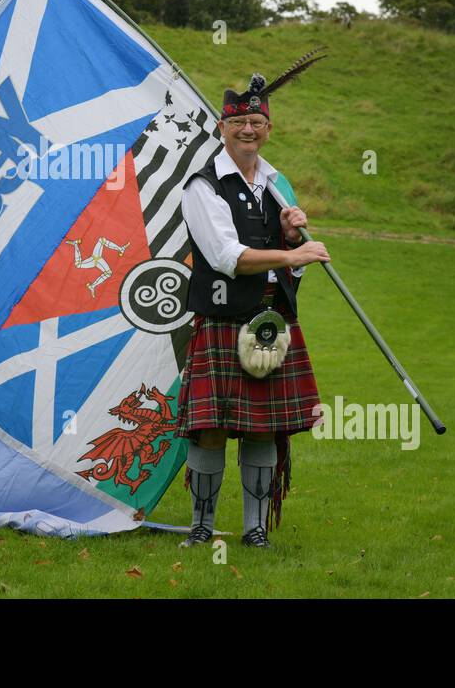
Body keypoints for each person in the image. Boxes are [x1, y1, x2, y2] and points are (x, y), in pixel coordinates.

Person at [176, 61, 328, 549]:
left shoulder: (277, 185)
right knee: (212, 429)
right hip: (222, 318)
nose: (248, 130)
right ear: (222, 127)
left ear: (268, 128)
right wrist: (294, 251)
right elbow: (225, 258)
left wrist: (289, 243)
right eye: (238, 122)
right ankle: (201, 529)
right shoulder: (204, 185)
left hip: (270, 322)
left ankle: (255, 530)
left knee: (263, 429)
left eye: (257, 123)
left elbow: (289, 273)